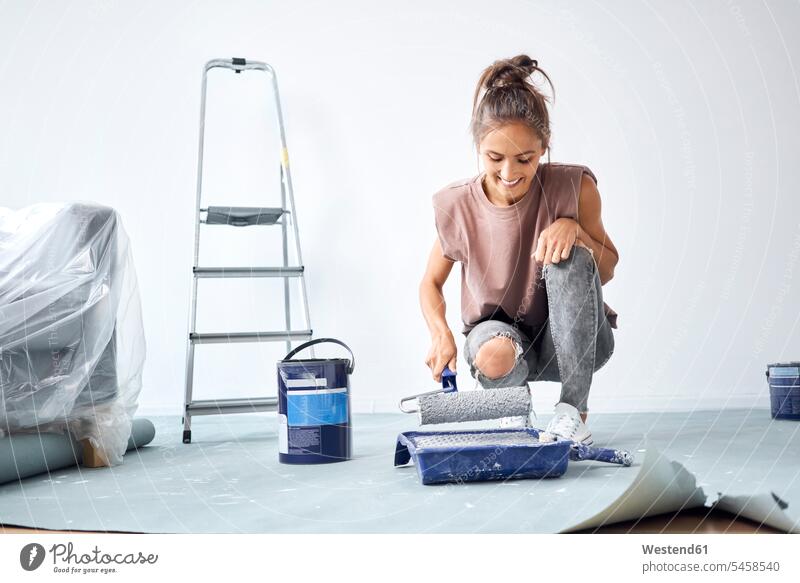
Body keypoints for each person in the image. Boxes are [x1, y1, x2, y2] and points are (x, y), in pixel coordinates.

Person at [419, 55, 619, 445]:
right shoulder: (456, 205)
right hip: (499, 339)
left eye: (524, 159)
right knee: (493, 351)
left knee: (571, 256)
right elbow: (429, 281)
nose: (509, 173)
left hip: (575, 340)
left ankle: (572, 413)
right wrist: (439, 333)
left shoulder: (575, 187)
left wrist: (575, 230)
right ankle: (514, 412)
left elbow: (607, 268)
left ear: (543, 148)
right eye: (495, 158)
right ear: (479, 145)